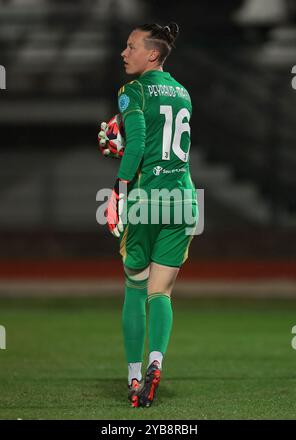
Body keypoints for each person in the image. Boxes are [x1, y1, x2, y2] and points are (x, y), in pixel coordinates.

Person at [102, 22, 198, 408]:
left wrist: (118, 189)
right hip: (185, 199)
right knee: (163, 292)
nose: (124, 53)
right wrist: (123, 142)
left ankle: (134, 377)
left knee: (135, 286)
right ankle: (156, 363)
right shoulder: (183, 92)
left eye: (131, 47)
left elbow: (140, 143)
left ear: (152, 54)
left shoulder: (132, 91)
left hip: (147, 200)